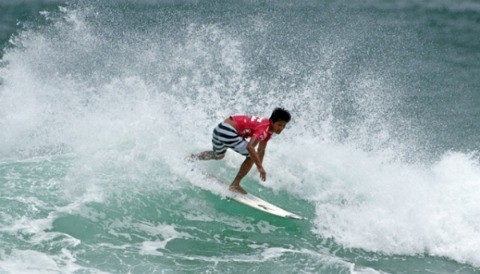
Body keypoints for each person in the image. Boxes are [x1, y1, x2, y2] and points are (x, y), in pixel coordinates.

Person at [193, 108, 291, 195]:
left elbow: (261, 149)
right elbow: (250, 147)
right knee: (251, 155)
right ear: (272, 121)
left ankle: (191, 158)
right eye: (279, 125)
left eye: (283, 126)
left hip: (220, 128)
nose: (281, 128)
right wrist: (260, 167)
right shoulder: (264, 128)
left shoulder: (267, 129)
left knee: (218, 155)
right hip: (229, 130)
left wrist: (258, 167)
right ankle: (235, 185)